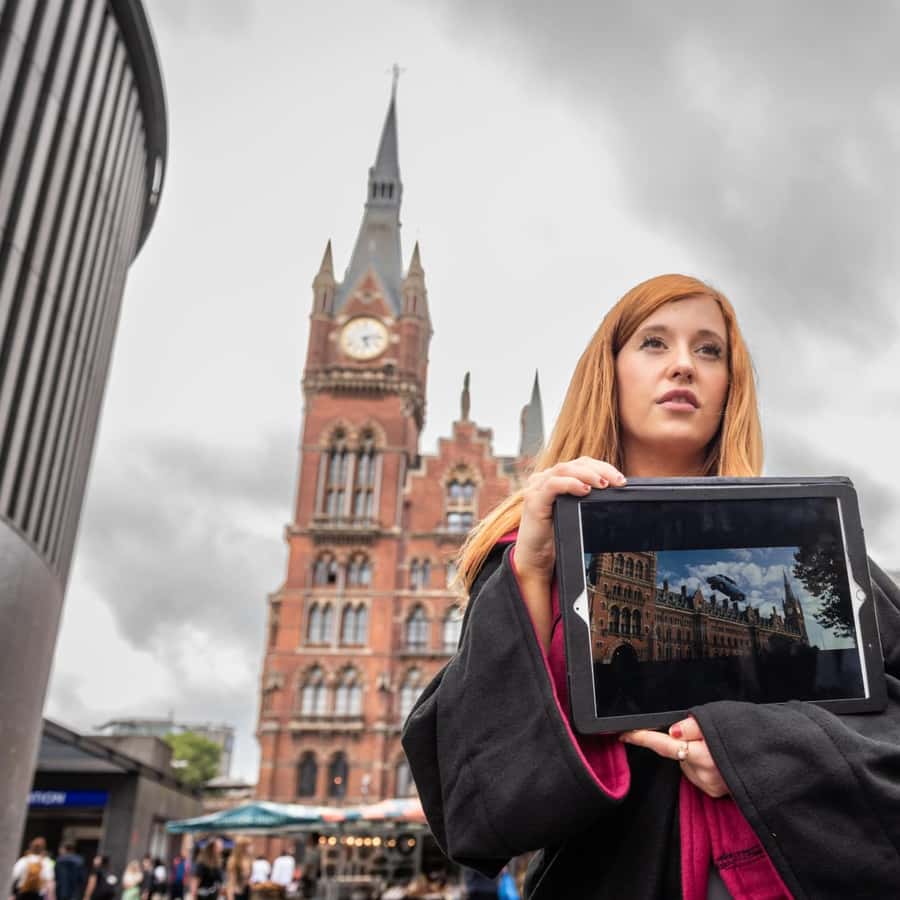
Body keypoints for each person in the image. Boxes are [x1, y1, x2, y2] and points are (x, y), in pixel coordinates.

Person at [401, 274, 900, 899]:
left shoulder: (811, 544)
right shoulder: (529, 557)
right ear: (608, 372)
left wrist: (755, 753)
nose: (684, 365)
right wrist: (531, 571)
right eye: (655, 343)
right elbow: (480, 808)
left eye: (709, 350)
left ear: (731, 388)